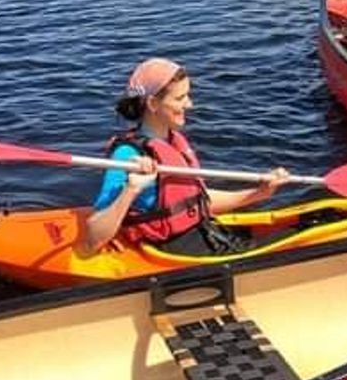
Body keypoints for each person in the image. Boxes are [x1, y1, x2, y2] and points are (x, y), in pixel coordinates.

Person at [79, 57, 290, 256]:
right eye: (180, 98)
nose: (190, 104)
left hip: (201, 234)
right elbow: (91, 240)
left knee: (302, 227)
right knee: (294, 245)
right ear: (152, 104)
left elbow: (196, 201)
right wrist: (131, 189)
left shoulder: (174, 140)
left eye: (188, 95)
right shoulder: (128, 155)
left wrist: (259, 193)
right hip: (174, 248)